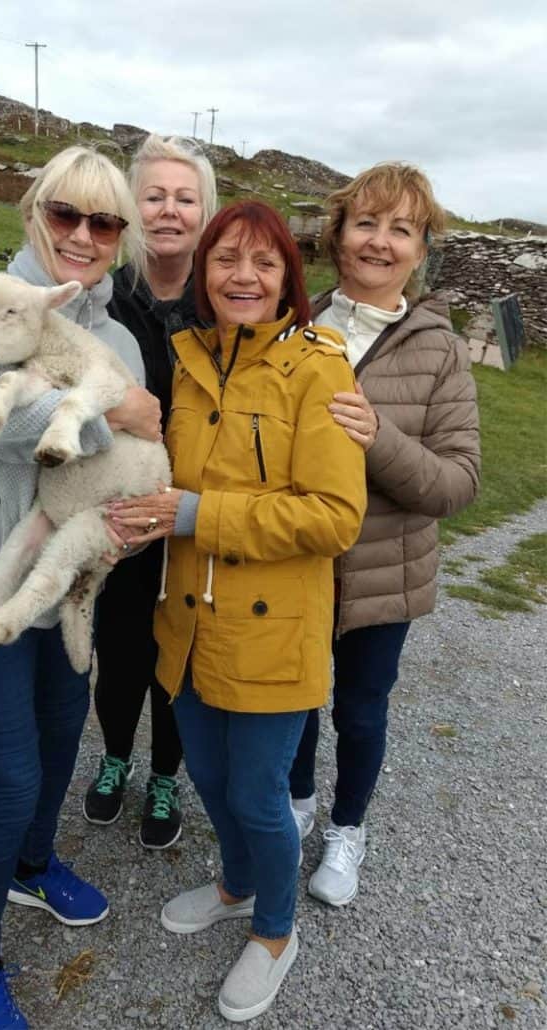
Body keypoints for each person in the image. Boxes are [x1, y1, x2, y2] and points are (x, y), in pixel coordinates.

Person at [0, 146, 161, 1030]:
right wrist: (115, 415)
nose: (84, 237)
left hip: (63, 578)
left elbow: (136, 454)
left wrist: (132, 493)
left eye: (105, 222)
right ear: (34, 211)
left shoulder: (118, 335)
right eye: (66, 214)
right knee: (10, 777)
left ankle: (30, 868)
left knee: (63, 743)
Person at [108, 201, 367, 1022]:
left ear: (289, 275)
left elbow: (333, 515)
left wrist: (196, 515)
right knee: (211, 779)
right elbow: (160, 473)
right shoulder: (187, 360)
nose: (243, 277)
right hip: (187, 617)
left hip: (273, 631)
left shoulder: (321, 365)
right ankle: (235, 882)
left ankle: (276, 932)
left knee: (259, 796)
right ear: (204, 271)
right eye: (226, 260)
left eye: (263, 262)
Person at [288, 162, 481, 908]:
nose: (380, 241)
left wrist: (379, 438)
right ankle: (299, 801)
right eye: (366, 222)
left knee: (362, 707)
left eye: (401, 229)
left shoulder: (440, 348)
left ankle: (347, 828)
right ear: (338, 234)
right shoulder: (295, 321)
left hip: (384, 573)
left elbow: (458, 481)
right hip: (298, 557)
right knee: (296, 697)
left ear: (420, 248)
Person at [84, 135, 218, 849]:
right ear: (132, 207)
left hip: (194, 508)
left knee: (181, 647)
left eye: (185, 197)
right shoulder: (105, 291)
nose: (169, 209)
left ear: (204, 211)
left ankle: (166, 772)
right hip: (122, 501)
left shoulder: (222, 297)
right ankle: (113, 758)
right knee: (121, 642)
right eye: (154, 195)